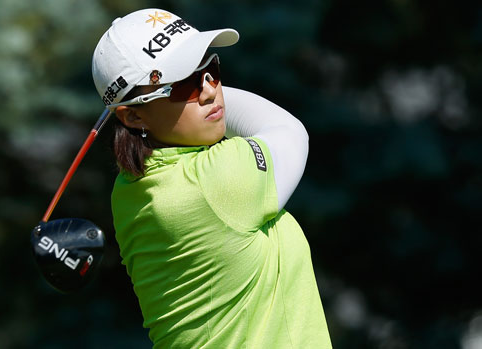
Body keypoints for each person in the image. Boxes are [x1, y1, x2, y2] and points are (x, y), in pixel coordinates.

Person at [92, 8, 331, 348]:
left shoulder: (130, 188)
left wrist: (179, 91)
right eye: (187, 83)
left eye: (211, 69)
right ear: (132, 116)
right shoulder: (211, 184)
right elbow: (289, 131)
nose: (210, 91)